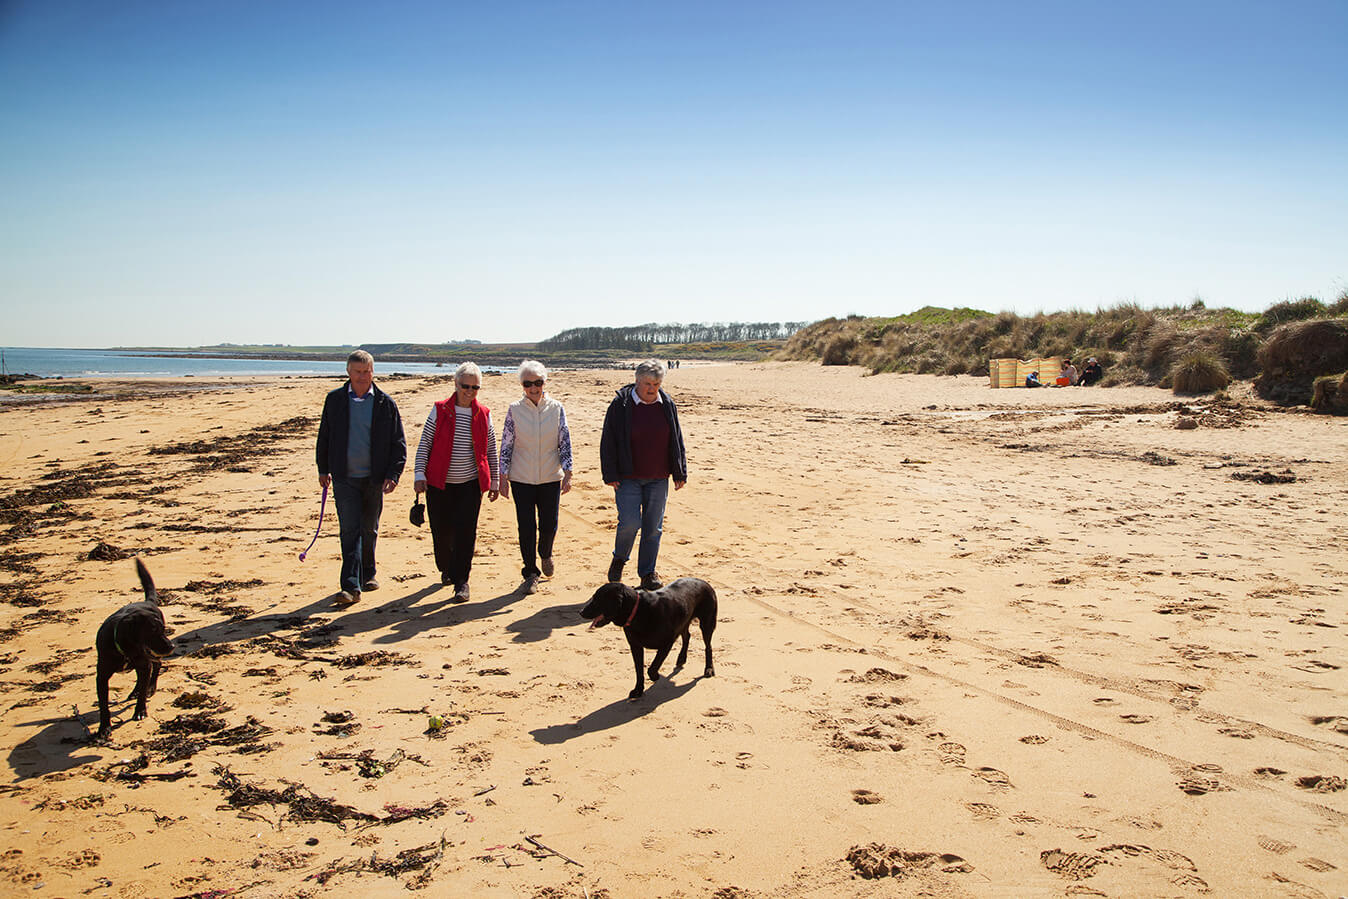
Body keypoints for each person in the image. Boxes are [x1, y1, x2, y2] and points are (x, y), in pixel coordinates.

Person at [316, 350, 406, 605]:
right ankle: (350, 586)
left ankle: (368, 573)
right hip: (344, 477)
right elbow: (324, 436)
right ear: (348, 372)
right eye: (358, 372)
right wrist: (323, 469)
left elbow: (398, 442)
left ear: (373, 372)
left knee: (369, 528)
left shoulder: (385, 403)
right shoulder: (334, 400)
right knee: (349, 530)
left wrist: (393, 474)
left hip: (374, 478)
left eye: (367, 371)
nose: (363, 376)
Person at [413, 362, 499, 602]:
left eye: (475, 387)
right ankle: (446, 567)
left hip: (470, 485)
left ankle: (462, 581)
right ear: (456, 384)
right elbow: (425, 444)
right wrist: (419, 474)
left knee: (466, 533)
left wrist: (494, 480)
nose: (470, 391)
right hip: (439, 484)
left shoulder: (484, 414)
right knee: (441, 533)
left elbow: (491, 449)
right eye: (465, 386)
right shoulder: (439, 410)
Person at [600, 359, 687, 591]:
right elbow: (608, 440)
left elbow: (676, 437)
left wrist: (679, 471)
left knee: (653, 527)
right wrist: (610, 473)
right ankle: (620, 558)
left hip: (658, 476)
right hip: (627, 476)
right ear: (637, 381)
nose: (652, 388)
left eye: (656, 384)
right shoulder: (621, 404)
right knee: (629, 523)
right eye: (648, 383)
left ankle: (647, 573)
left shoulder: (666, 403)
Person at [499, 361, 573, 595]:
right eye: (528, 383)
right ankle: (530, 572)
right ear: (522, 385)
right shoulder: (514, 409)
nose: (533, 388)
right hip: (521, 477)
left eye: (538, 382)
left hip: (550, 476)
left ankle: (546, 553)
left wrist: (568, 471)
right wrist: (502, 476)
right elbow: (506, 444)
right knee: (526, 526)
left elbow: (564, 441)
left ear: (544, 383)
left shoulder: (556, 408)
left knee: (549, 524)